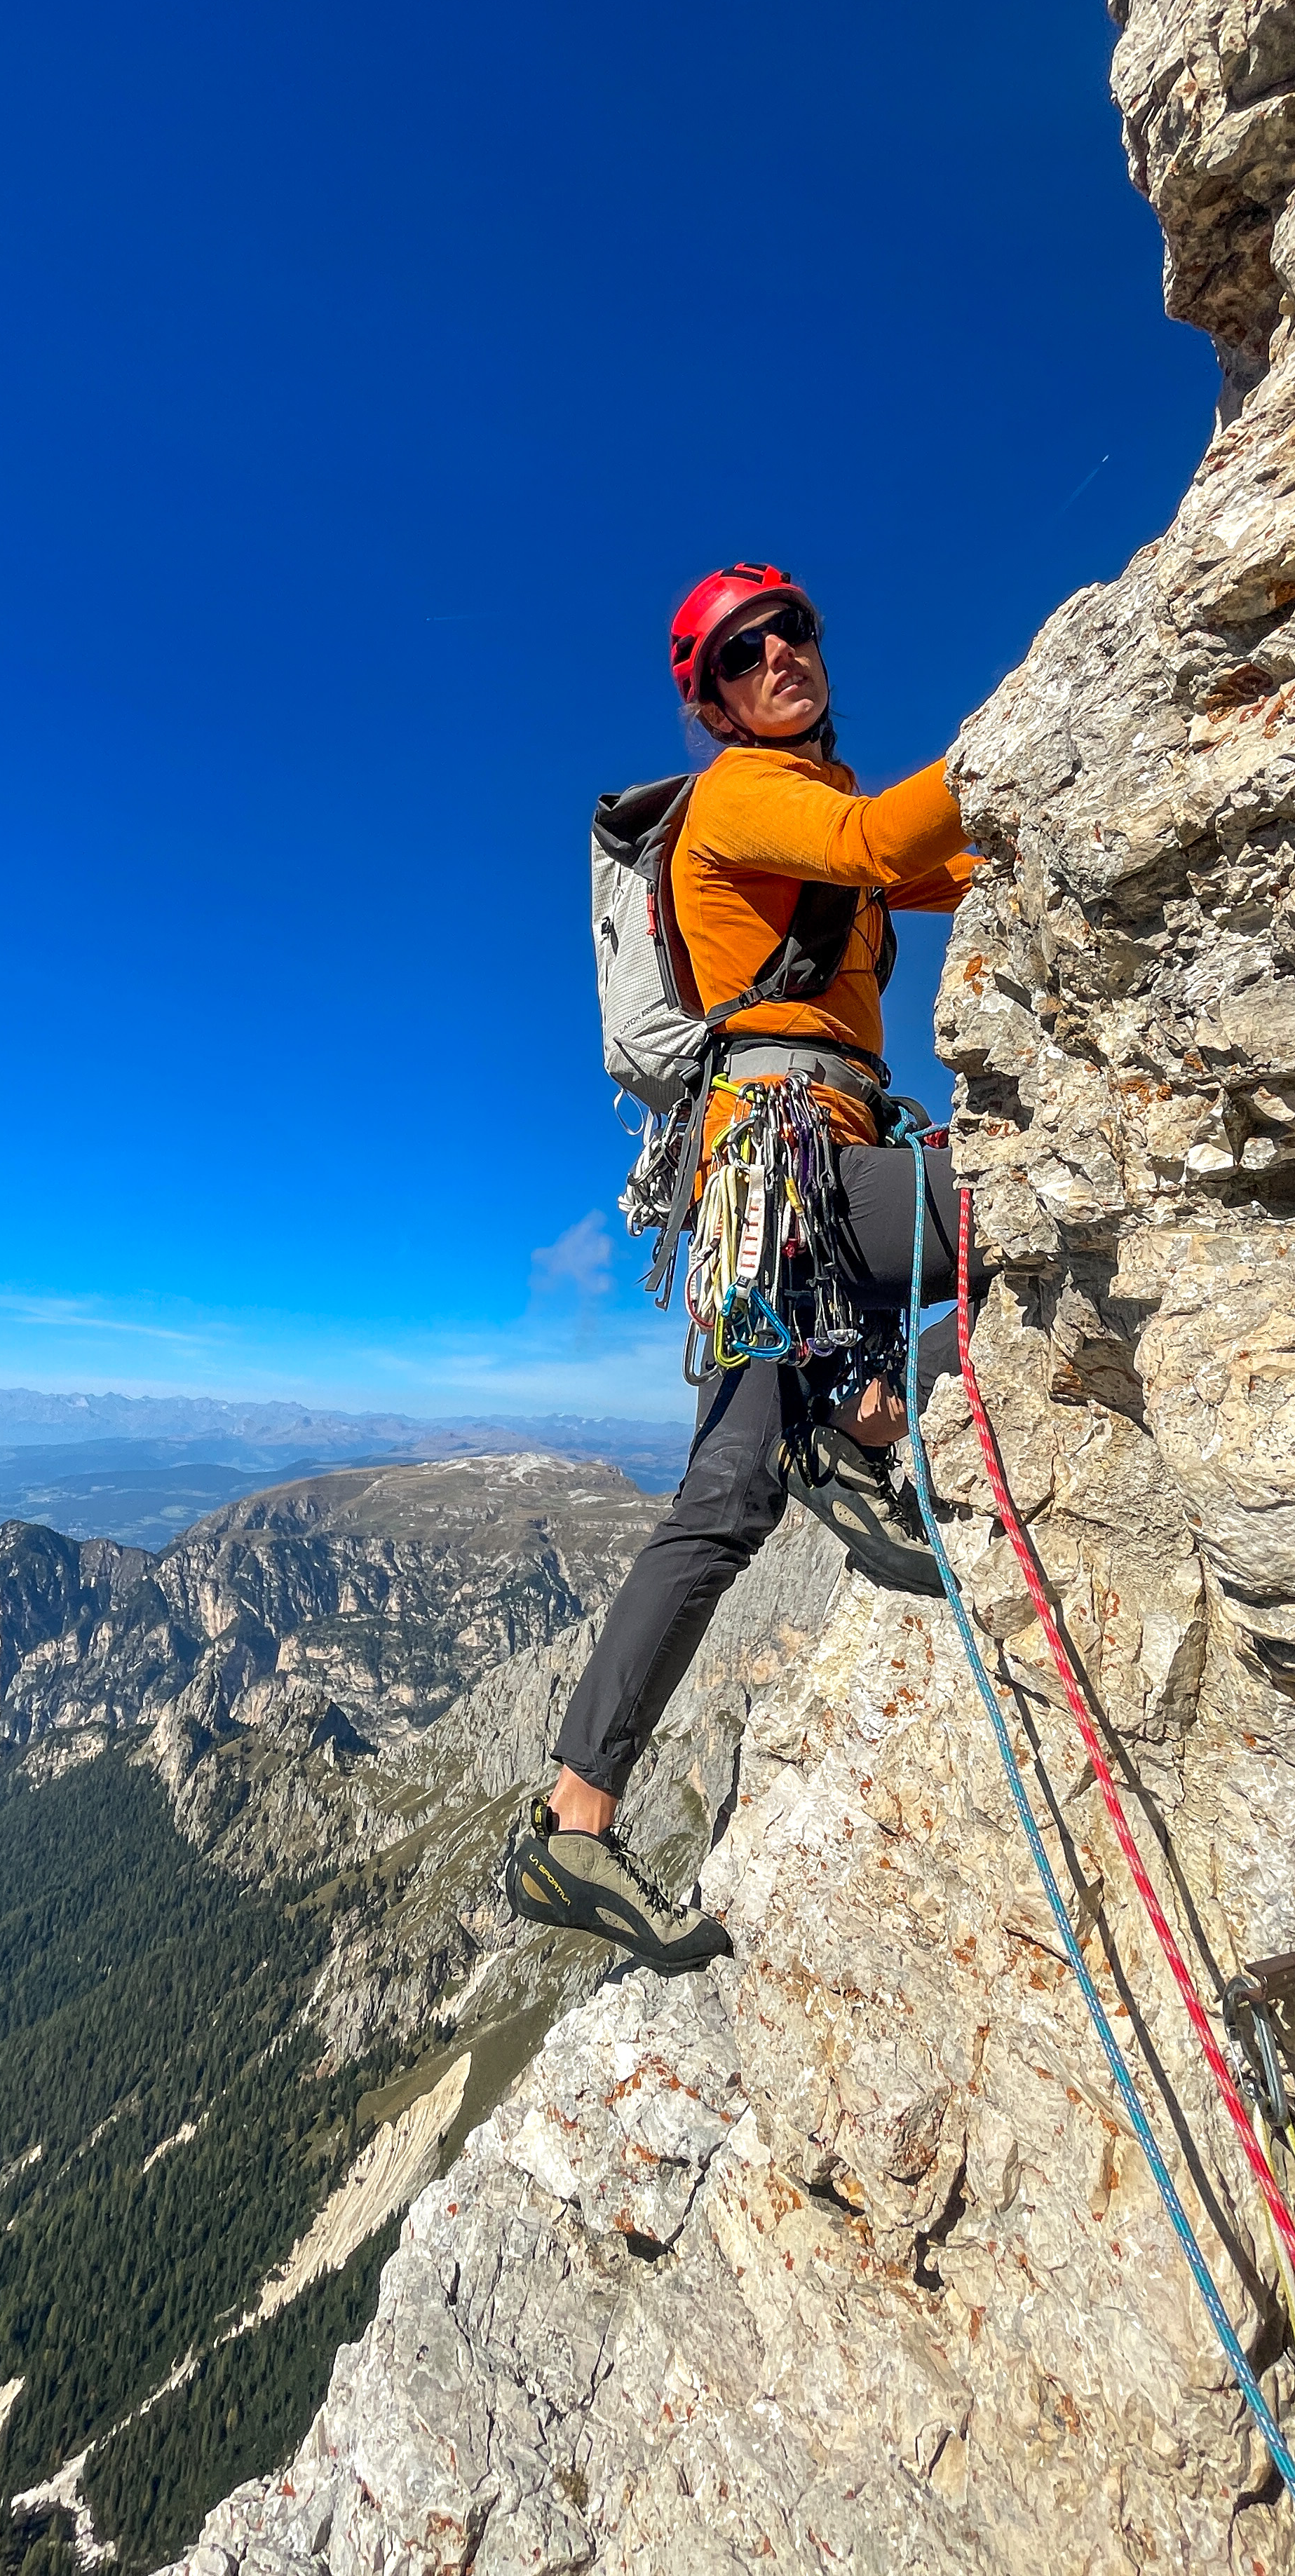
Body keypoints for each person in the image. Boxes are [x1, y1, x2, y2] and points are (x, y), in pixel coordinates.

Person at [506, 562, 977, 1972]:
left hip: (757, 1187)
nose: (778, 657)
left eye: (793, 632)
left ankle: (572, 1817)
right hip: (794, 1170)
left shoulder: (810, 824)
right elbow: (903, 841)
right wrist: (1033, 729)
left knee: (719, 1499)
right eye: (742, 652)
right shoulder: (747, 795)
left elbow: (941, 857)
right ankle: (858, 1421)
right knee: (1042, 1206)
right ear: (713, 700)